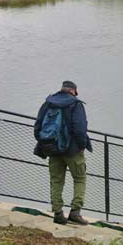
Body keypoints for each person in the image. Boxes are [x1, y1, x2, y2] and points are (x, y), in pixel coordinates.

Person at [35, 80, 92, 225]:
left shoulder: (48, 103)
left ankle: (58, 213)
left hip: (52, 149)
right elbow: (80, 128)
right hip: (72, 150)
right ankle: (75, 212)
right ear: (74, 91)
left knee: (56, 180)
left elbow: (38, 126)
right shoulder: (75, 104)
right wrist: (81, 146)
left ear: (62, 89)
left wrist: (45, 142)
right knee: (79, 178)